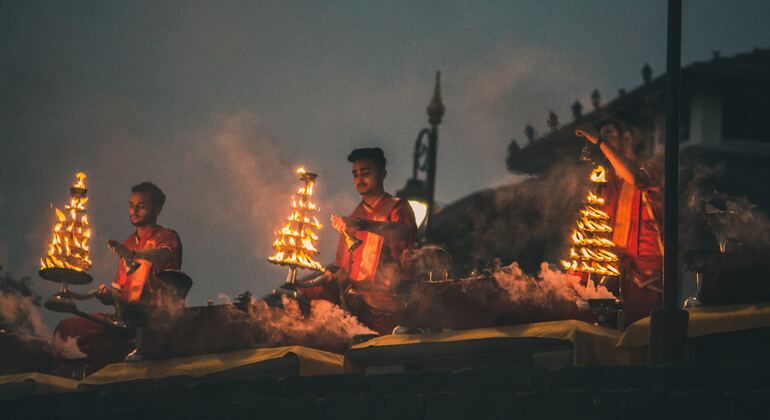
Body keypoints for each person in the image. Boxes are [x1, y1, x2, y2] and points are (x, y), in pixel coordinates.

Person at [53, 182, 182, 369]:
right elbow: (119, 294)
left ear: (157, 209)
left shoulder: (167, 236)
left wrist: (132, 255)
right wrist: (107, 296)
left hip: (154, 320)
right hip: (124, 320)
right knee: (68, 330)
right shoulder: (128, 243)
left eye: (141, 206)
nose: (134, 211)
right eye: (131, 205)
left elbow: (162, 256)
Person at [302, 148, 418, 334]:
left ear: (383, 174)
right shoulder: (353, 218)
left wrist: (363, 225)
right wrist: (320, 281)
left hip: (391, 308)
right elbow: (344, 270)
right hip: (358, 310)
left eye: (366, 173)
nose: (359, 179)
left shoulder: (397, 207)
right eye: (355, 174)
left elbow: (402, 232)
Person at [576, 119, 663, 325]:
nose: (602, 142)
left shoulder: (652, 169)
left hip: (647, 279)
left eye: (609, 135)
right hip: (615, 273)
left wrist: (600, 142)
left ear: (628, 138)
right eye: (602, 136)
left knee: (641, 334)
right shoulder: (608, 179)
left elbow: (635, 178)